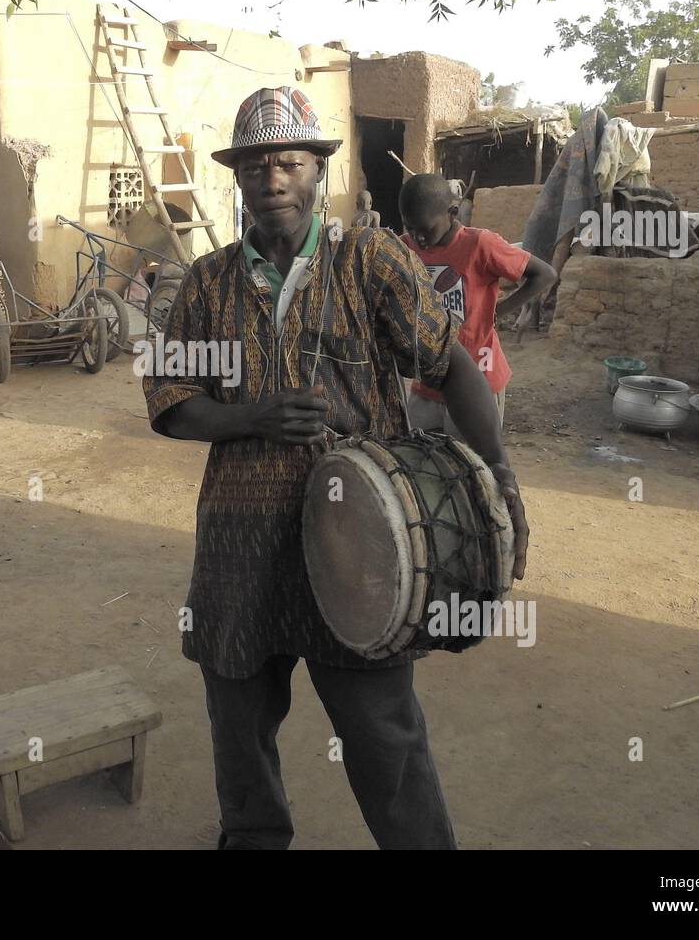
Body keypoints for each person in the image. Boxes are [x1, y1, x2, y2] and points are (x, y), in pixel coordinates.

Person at [143, 86, 529, 850]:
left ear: (319, 171)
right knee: (238, 720)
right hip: (239, 544)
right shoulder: (208, 283)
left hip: (363, 544)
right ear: (239, 178)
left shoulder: (370, 260)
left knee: (383, 730)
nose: (273, 178)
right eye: (256, 165)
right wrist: (253, 415)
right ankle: (253, 837)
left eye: (290, 161)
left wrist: (501, 478)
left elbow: (450, 364)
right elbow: (169, 397)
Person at [398, 174, 557, 435]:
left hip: (478, 378)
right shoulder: (406, 247)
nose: (419, 238)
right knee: (417, 459)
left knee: (474, 466)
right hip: (428, 381)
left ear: (452, 212)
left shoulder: (479, 244)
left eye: (426, 230)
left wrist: (499, 310)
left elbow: (545, 274)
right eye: (410, 228)